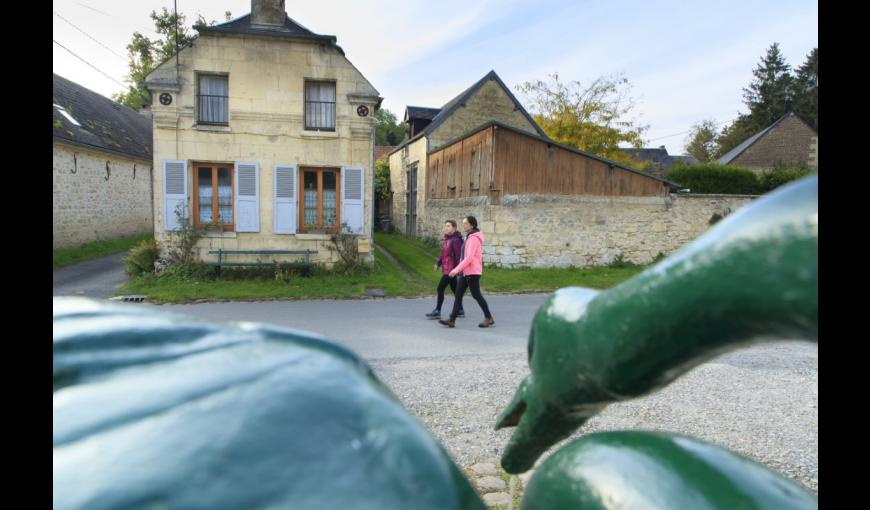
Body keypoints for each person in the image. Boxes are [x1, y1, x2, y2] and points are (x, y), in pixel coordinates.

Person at [439, 215, 495, 328]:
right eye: (463, 223)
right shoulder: (469, 237)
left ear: (472, 225)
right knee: (458, 295)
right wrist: (460, 270)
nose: (463, 225)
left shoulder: (474, 238)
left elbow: (469, 258)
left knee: (476, 295)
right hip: (465, 272)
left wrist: (456, 270)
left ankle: (488, 317)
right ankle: (452, 319)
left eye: (465, 223)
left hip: (473, 272)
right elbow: (463, 256)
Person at [425, 220, 465, 319]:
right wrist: (438, 263)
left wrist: (457, 270)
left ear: (454, 227)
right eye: (445, 226)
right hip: (447, 267)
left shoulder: (456, 240)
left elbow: (458, 257)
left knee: (440, 288)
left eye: (448, 226)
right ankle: (460, 310)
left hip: (451, 270)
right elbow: (444, 254)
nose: (446, 228)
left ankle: (438, 311)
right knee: (455, 289)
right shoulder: (448, 239)